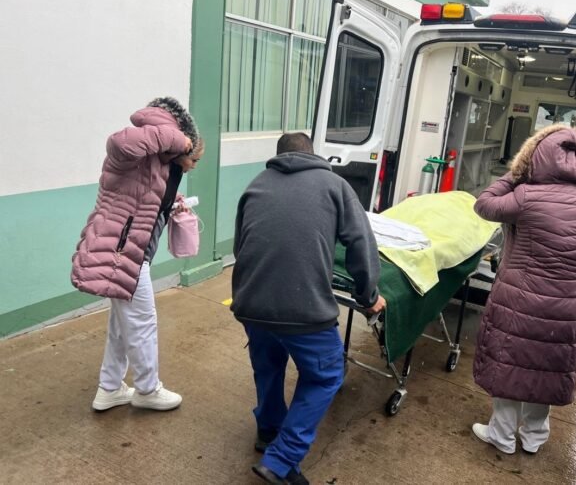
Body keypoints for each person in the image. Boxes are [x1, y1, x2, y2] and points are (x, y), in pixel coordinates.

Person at [231, 132, 386, 484]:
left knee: (268, 366)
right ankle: (281, 460)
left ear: (277, 156)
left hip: (251, 303)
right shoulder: (336, 186)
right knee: (326, 375)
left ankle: (268, 431)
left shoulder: (256, 185)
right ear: (314, 155)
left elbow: (242, 247)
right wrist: (368, 296)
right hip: (303, 310)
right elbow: (361, 245)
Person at [471, 123, 576, 455]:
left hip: (518, 300)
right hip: (566, 305)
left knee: (510, 363)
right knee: (545, 368)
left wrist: (516, 174)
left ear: (536, 158)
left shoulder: (526, 197)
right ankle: (534, 438)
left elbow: (484, 204)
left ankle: (502, 435)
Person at [71, 97, 205, 412]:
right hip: (120, 254)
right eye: (193, 158)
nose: (193, 165)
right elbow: (118, 143)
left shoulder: (155, 165)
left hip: (128, 253)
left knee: (122, 326)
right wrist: (178, 138)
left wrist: (172, 202)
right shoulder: (134, 152)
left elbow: (143, 195)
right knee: (143, 321)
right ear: (182, 146)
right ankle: (147, 389)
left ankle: (110, 387)